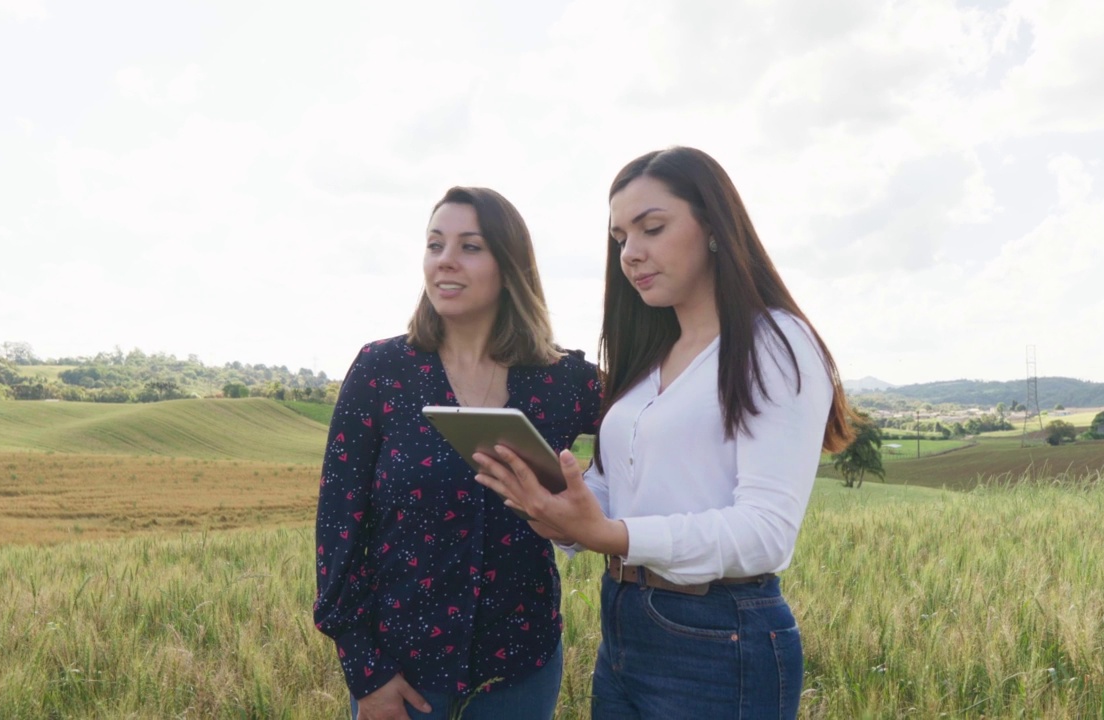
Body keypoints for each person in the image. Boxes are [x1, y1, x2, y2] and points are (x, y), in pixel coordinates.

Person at [473, 147, 853, 719]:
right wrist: (550, 503)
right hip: (625, 622)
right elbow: (614, 493)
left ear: (715, 226)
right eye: (620, 237)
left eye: (652, 228)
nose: (631, 253)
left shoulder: (775, 342)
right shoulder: (649, 357)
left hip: (720, 636)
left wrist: (612, 535)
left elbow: (767, 534)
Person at [314, 186, 602, 720]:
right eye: (434, 244)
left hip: (519, 671)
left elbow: (652, 422)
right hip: (399, 673)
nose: (445, 260)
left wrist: (595, 505)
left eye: (470, 246)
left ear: (510, 265)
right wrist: (364, 668)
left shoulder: (562, 382)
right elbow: (338, 522)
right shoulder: (381, 371)